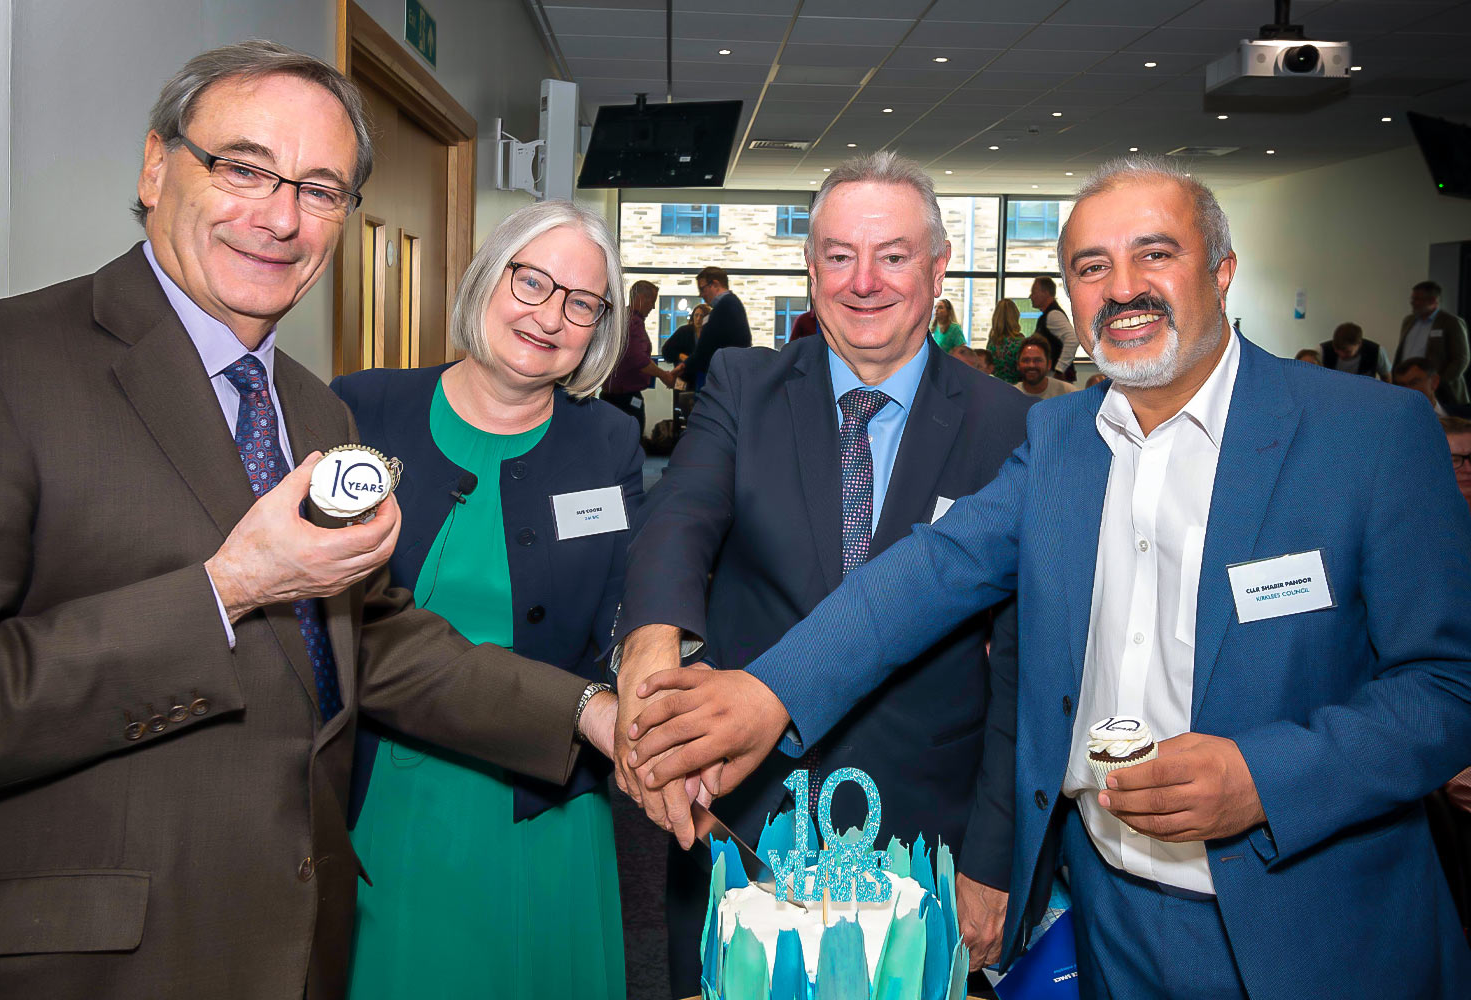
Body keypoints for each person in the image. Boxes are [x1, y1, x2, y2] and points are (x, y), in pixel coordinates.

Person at [625, 155, 1471, 999]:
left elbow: (1449, 686)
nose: (1123, 287)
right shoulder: (1062, 438)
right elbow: (932, 570)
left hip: (1314, 921)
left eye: (1155, 254)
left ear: (1221, 271)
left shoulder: (1368, 435)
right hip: (1110, 914)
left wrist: (1266, 778)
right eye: (1091, 267)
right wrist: (770, 693)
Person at [0, 42, 616, 1000]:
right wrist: (227, 590)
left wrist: (590, 712)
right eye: (244, 168)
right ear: (154, 167)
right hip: (69, 958)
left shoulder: (315, 411)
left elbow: (363, 634)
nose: (278, 217)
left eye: (319, 189)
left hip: (288, 939)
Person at [613, 151, 1031, 995]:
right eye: (838, 255)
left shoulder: (1013, 424)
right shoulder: (742, 383)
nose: (863, 281)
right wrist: (650, 652)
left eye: (894, 255)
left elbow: (1026, 662)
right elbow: (679, 517)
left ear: (940, 267)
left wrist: (992, 857)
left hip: (928, 829)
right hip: (744, 811)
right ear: (810, 270)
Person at [332, 201, 637, 1000]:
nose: (550, 316)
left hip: (546, 797)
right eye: (532, 282)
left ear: (598, 328)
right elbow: (325, 614)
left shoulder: (608, 442)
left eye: (582, 302)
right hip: (387, 794)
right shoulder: (361, 408)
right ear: (486, 279)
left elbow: (623, 615)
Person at [600, 278, 674, 435]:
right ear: (640, 298)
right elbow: (638, 360)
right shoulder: (633, 323)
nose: (653, 307)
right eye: (652, 301)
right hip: (625, 398)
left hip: (610, 394)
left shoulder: (620, 318)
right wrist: (663, 375)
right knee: (632, 438)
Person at [1396, 280, 1469, 408]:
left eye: (1418, 299)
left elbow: (1461, 359)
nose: (1412, 302)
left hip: (1441, 391)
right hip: (1408, 387)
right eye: (1412, 298)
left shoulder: (1451, 322)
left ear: (1433, 300)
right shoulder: (1408, 321)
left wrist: (1437, 383)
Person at [679, 265, 751, 391]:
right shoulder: (729, 304)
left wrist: (681, 370)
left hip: (726, 380)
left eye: (702, 289)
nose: (701, 295)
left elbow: (706, 349)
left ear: (716, 284)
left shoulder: (726, 306)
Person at [1029, 276, 1077, 380]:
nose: (1030, 296)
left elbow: (1073, 339)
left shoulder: (1053, 315)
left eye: (1034, 292)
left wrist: (1059, 369)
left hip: (1055, 378)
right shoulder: (1047, 315)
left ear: (1045, 293)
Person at [1321, 321, 1390, 380]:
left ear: (1359, 344)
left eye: (1347, 352)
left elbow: (1387, 378)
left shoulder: (1376, 352)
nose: (1341, 354)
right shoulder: (1322, 350)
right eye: (1337, 349)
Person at [1015, 335, 1075, 402]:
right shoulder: (1010, 395)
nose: (1031, 365)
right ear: (1018, 364)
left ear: (1049, 364)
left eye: (1037, 360)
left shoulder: (1068, 393)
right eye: (1026, 360)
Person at [660, 301, 708, 381]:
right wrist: (680, 355)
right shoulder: (684, 331)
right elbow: (666, 350)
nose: (698, 319)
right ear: (692, 317)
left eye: (702, 316)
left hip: (703, 377)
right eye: (696, 315)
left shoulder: (710, 334)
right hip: (683, 377)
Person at [987, 298, 1025, 384]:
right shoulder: (1020, 342)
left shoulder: (992, 342)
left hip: (996, 387)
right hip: (1017, 388)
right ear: (1015, 317)